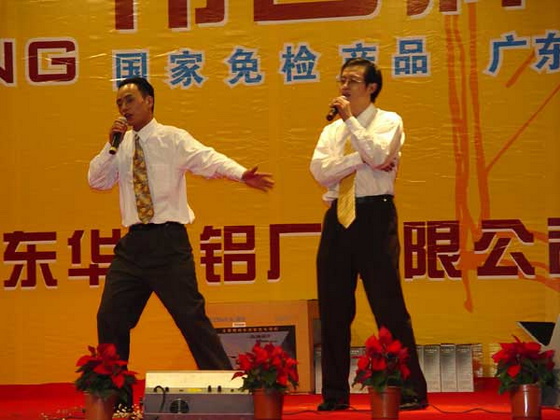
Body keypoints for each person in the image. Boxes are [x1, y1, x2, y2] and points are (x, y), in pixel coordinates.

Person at [88, 77, 274, 405]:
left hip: (168, 243)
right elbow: (97, 180)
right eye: (119, 103)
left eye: (129, 100)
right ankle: (115, 401)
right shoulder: (121, 145)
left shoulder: (172, 138)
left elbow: (208, 158)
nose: (124, 108)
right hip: (133, 246)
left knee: (192, 319)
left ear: (149, 101)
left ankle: (231, 396)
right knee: (110, 317)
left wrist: (241, 173)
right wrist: (110, 145)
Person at [310, 58, 428, 411]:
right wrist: (357, 160)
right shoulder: (332, 131)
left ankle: (410, 390)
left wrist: (352, 126)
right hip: (338, 217)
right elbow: (320, 172)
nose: (344, 86)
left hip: (375, 215)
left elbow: (377, 154)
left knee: (388, 306)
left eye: (352, 80)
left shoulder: (389, 121)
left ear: (371, 87)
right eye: (341, 79)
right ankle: (334, 395)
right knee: (333, 308)